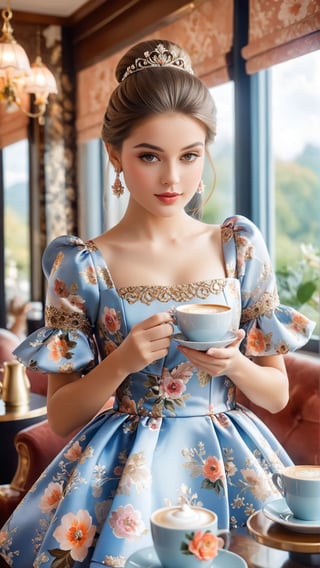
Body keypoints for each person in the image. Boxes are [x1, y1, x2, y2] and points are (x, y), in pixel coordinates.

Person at [0, 39, 315, 568]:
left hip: (229, 457)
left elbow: (278, 394)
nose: (173, 179)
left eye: (190, 156)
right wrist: (123, 360)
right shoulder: (79, 264)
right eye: (150, 156)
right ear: (114, 155)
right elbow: (59, 412)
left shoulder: (238, 246)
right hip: (121, 469)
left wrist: (233, 364)